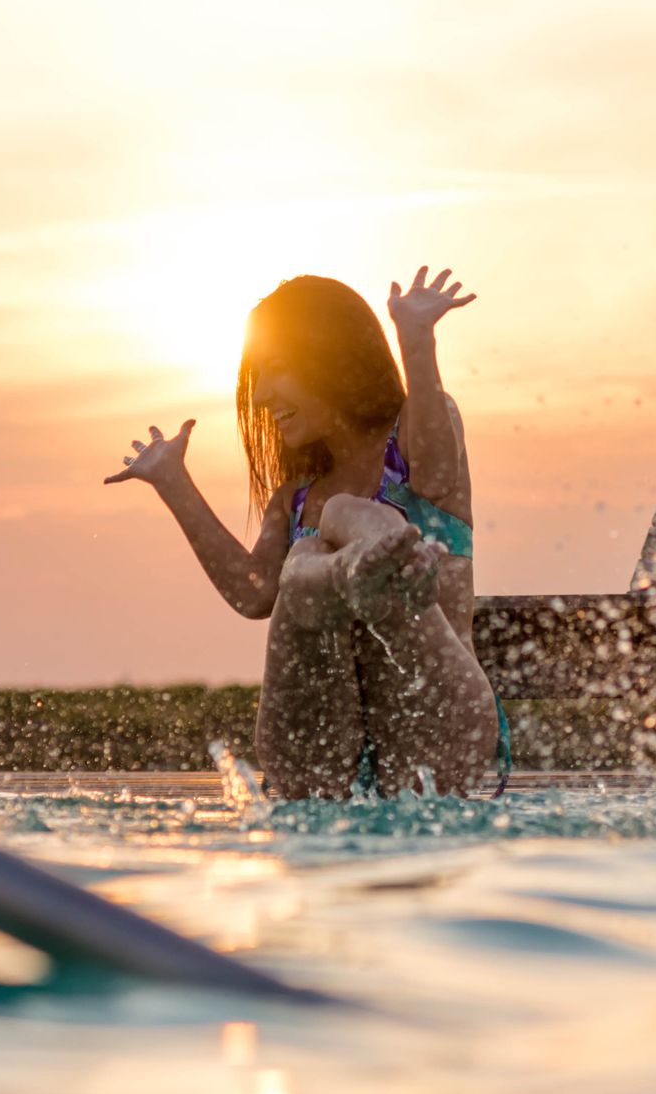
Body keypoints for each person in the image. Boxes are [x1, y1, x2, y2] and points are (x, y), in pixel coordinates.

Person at [105, 267, 500, 799]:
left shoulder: (416, 431)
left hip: (429, 717)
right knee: (310, 550)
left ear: (330, 359)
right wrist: (174, 484)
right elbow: (252, 594)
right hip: (320, 751)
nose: (264, 395)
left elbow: (435, 477)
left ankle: (353, 567)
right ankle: (349, 571)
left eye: (277, 371)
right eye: (257, 379)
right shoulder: (292, 498)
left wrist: (417, 342)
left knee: (332, 523)